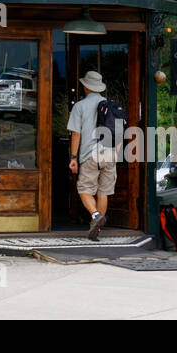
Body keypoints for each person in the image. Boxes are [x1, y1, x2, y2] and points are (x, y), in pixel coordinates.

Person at [66, 70, 115, 241]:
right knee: (103, 191)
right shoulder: (110, 104)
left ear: (86, 87)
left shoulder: (79, 106)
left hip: (90, 154)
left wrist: (73, 158)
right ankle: (97, 230)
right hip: (109, 153)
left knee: (84, 188)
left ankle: (95, 216)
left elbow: (76, 134)